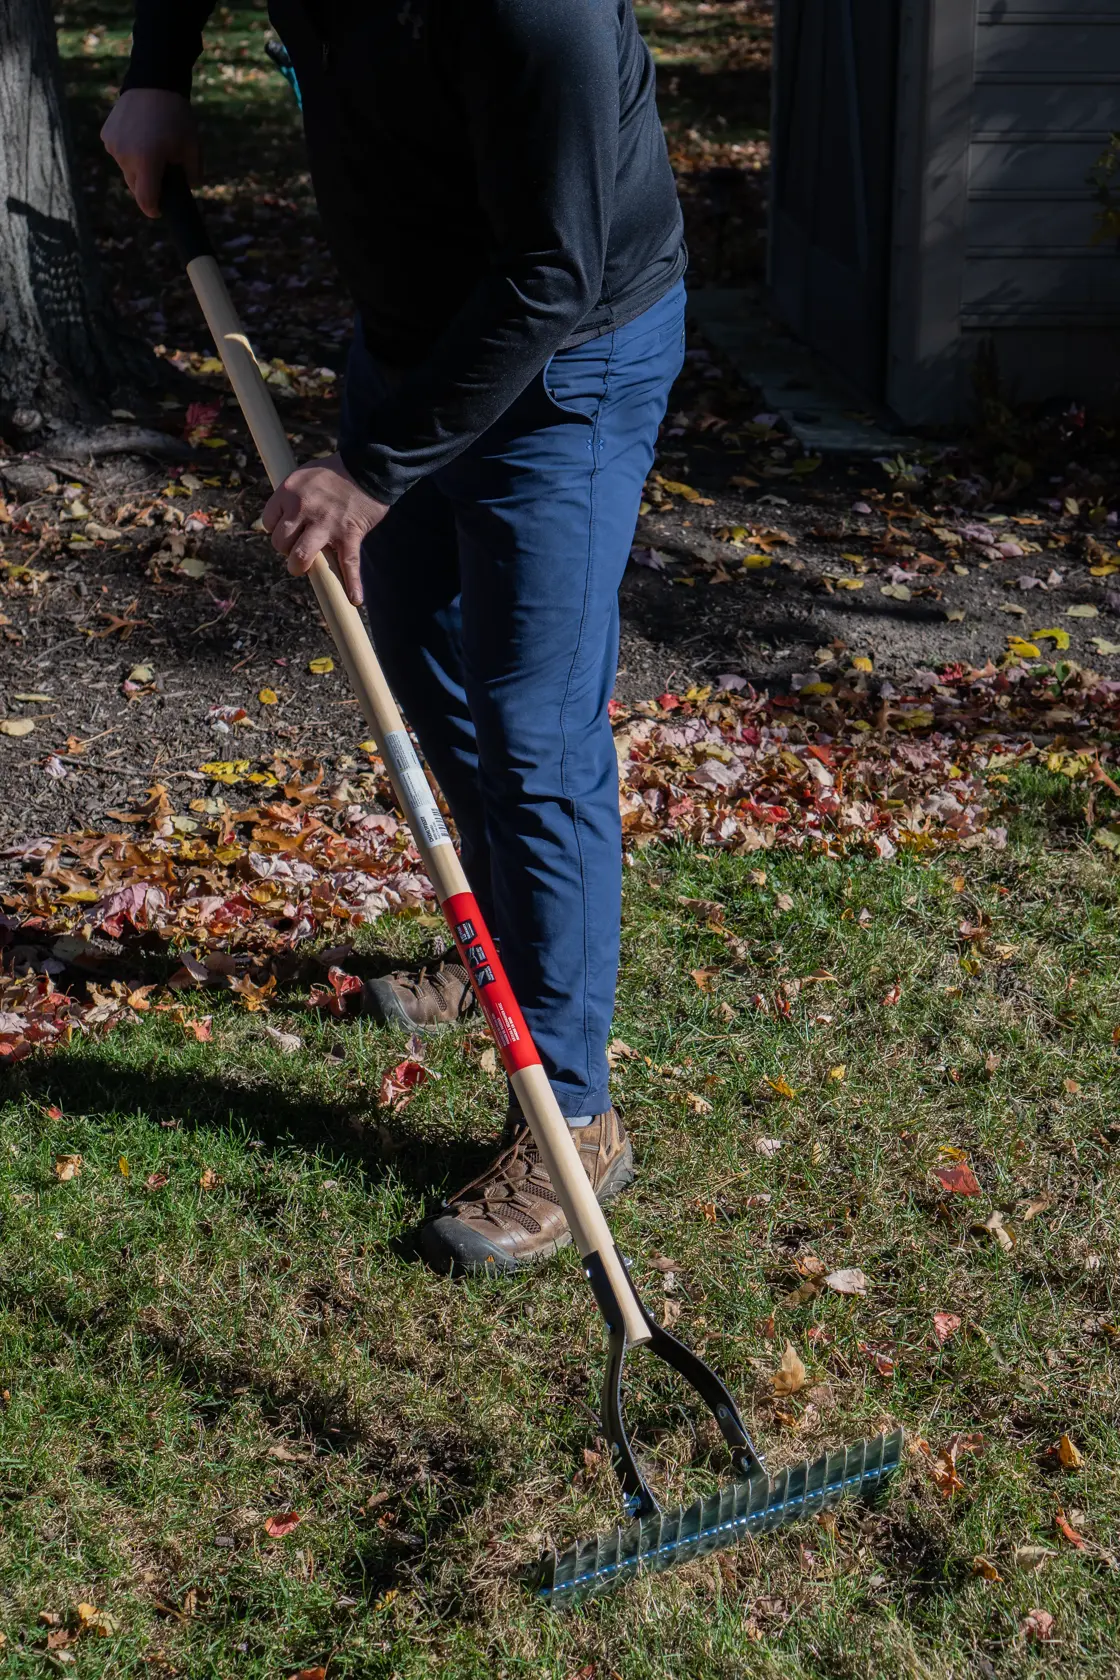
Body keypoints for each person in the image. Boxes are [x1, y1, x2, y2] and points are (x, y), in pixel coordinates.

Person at [102, 0, 686, 1275]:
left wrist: (369, 469)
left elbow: (554, 268)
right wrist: (159, 73)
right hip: (418, 336)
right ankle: (503, 950)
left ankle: (572, 1114)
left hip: (571, 354)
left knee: (532, 730)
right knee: (424, 661)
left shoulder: (545, 14)